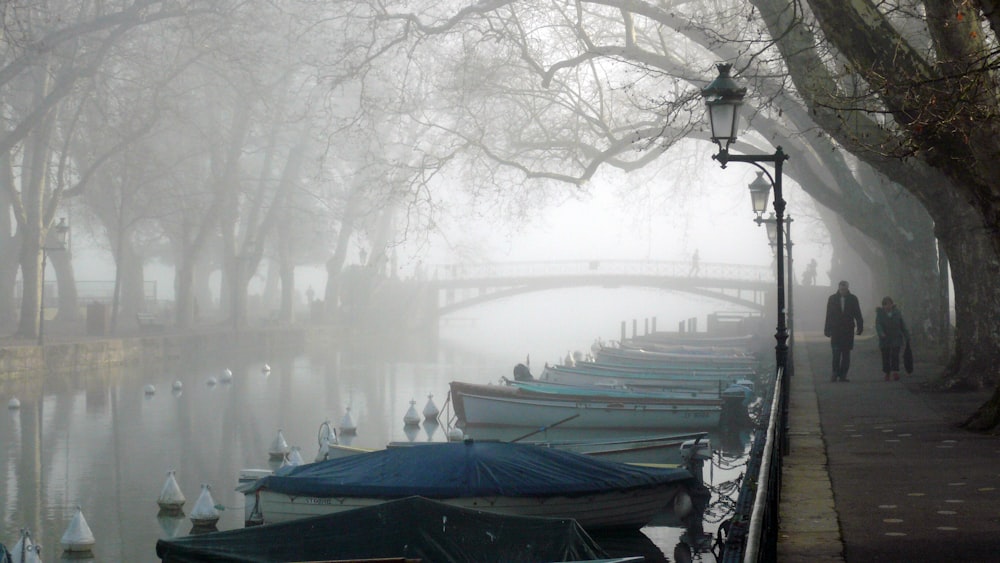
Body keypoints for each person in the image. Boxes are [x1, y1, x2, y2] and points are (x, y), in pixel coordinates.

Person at [824, 280, 864, 382]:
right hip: (836, 330)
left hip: (848, 330)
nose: (843, 291)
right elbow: (828, 315)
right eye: (841, 289)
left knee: (846, 354)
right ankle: (835, 372)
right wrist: (827, 329)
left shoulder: (853, 299)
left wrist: (860, 327)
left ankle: (843, 375)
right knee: (836, 353)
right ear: (838, 288)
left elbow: (857, 313)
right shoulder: (832, 299)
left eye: (844, 289)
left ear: (847, 288)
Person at [876, 296, 910, 381]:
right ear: (883, 306)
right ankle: (887, 373)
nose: (888, 306)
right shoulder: (880, 314)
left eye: (889, 304)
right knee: (886, 356)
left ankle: (895, 372)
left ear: (892, 304)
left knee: (895, 355)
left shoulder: (897, 313)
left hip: (896, 337)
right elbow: (878, 325)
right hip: (885, 339)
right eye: (885, 305)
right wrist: (881, 333)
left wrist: (907, 335)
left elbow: (902, 325)